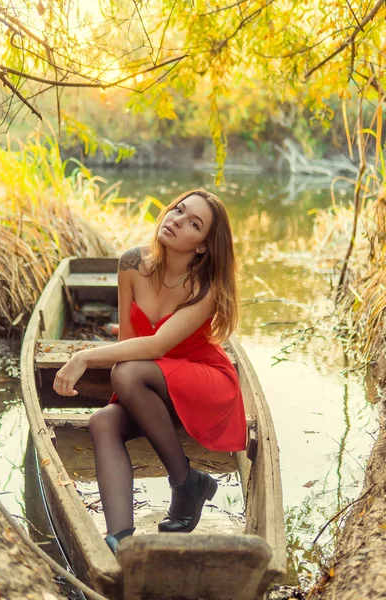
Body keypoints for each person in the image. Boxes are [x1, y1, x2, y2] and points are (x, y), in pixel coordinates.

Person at [53, 189, 247, 554]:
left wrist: (83, 357)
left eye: (193, 223)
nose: (176, 220)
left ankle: (184, 480)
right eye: (178, 209)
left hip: (203, 381)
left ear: (203, 246)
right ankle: (119, 540)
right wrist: (114, 373)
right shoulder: (131, 264)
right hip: (151, 383)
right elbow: (130, 341)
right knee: (103, 422)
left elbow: (155, 347)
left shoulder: (207, 287)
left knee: (127, 374)